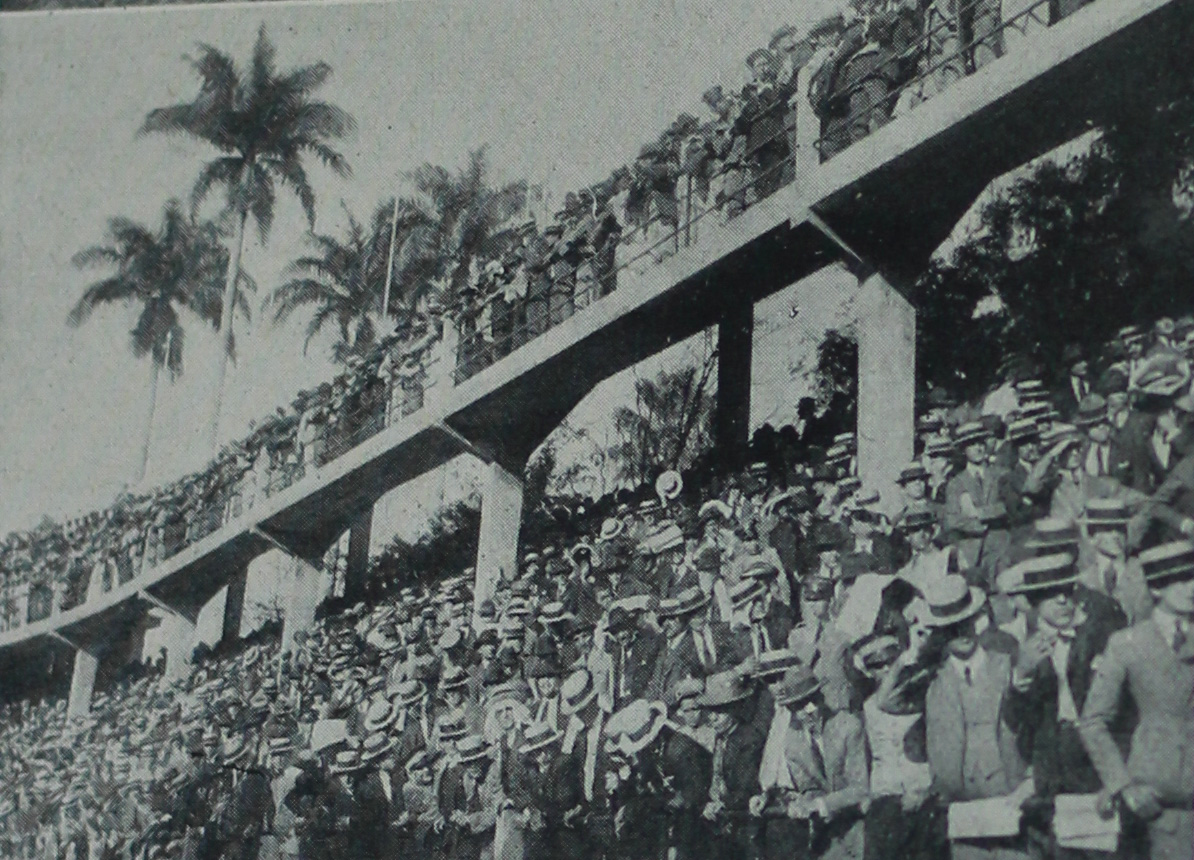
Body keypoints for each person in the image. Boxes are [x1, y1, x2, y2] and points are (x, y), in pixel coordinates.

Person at [1001, 553, 1128, 860]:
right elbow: (1015, 721)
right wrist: (1020, 675)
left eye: (1067, 592)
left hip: (1095, 769)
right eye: (1050, 594)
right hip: (1051, 773)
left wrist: (1117, 779)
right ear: (1033, 601)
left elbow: (1126, 715)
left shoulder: (1102, 638)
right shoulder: (1026, 651)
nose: (1062, 600)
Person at [1080, 540, 1194, 860]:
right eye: (1181, 580)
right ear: (1157, 589)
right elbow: (1093, 721)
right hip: (1161, 813)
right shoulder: (1128, 644)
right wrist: (1122, 785)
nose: (1192, 588)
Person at [923, 575, 1030, 860]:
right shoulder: (934, 678)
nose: (962, 633)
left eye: (966, 622)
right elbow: (889, 701)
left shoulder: (1005, 664)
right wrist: (912, 655)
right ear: (940, 633)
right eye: (951, 628)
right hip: (960, 806)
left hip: (1008, 793)